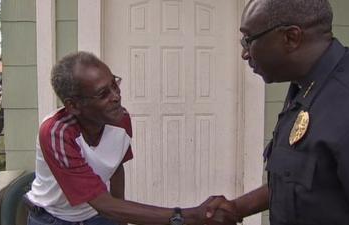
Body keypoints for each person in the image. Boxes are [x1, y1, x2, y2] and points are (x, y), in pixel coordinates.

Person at [205, 0, 349, 224]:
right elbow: (303, 178)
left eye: (248, 40)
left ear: (291, 38)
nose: (244, 53)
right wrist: (237, 208)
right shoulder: (308, 86)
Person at [24, 52, 237, 225]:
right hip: (53, 218)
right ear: (74, 106)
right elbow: (102, 203)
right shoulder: (57, 132)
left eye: (114, 85)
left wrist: (121, 220)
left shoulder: (120, 119)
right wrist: (187, 216)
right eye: (103, 94)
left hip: (95, 216)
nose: (116, 96)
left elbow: (116, 167)